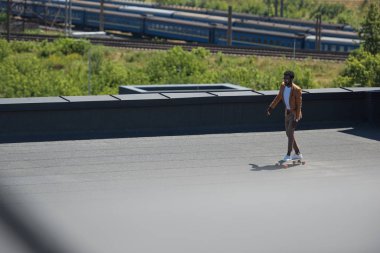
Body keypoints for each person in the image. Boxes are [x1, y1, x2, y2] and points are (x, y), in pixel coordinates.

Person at [267, 70, 303, 162]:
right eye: (284, 78)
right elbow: (279, 96)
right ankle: (298, 153)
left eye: (287, 78)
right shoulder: (283, 86)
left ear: (291, 79)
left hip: (294, 114)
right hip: (287, 112)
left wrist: (297, 118)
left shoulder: (296, 90)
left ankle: (288, 154)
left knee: (290, 133)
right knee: (288, 133)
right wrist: (271, 107)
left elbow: (299, 105)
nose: (285, 80)